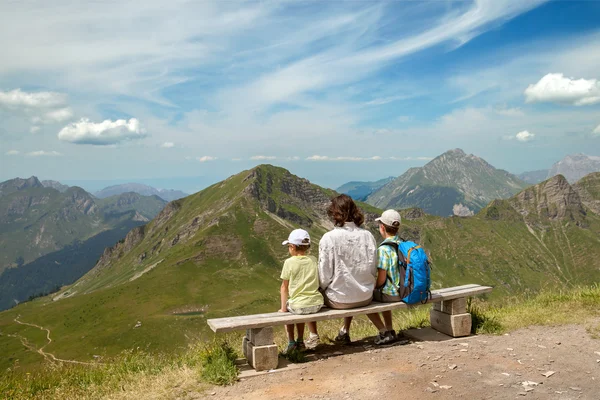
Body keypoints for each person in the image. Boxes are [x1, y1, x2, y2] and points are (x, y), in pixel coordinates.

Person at [317, 194, 380, 344]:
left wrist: (322, 288)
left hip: (338, 300)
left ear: (335, 213)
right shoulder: (368, 236)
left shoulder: (329, 238)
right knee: (349, 283)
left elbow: (324, 275)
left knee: (328, 290)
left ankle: (307, 338)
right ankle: (344, 331)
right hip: (365, 296)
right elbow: (372, 268)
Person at [279, 228, 323, 352]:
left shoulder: (289, 262)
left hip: (299, 305)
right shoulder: (313, 259)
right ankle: (300, 341)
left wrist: (283, 309)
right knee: (301, 308)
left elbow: (284, 287)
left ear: (292, 247)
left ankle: (291, 342)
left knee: (291, 309)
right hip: (316, 304)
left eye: (288, 246)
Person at [368, 209, 405, 345]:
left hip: (392, 295)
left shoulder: (383, 250)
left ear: (382, 227)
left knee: (365, 299)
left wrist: (373, 288)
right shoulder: (402, 244)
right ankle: (390, 328)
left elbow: (382, 279)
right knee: (385, 293)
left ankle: (384, 332)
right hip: (404, 291)